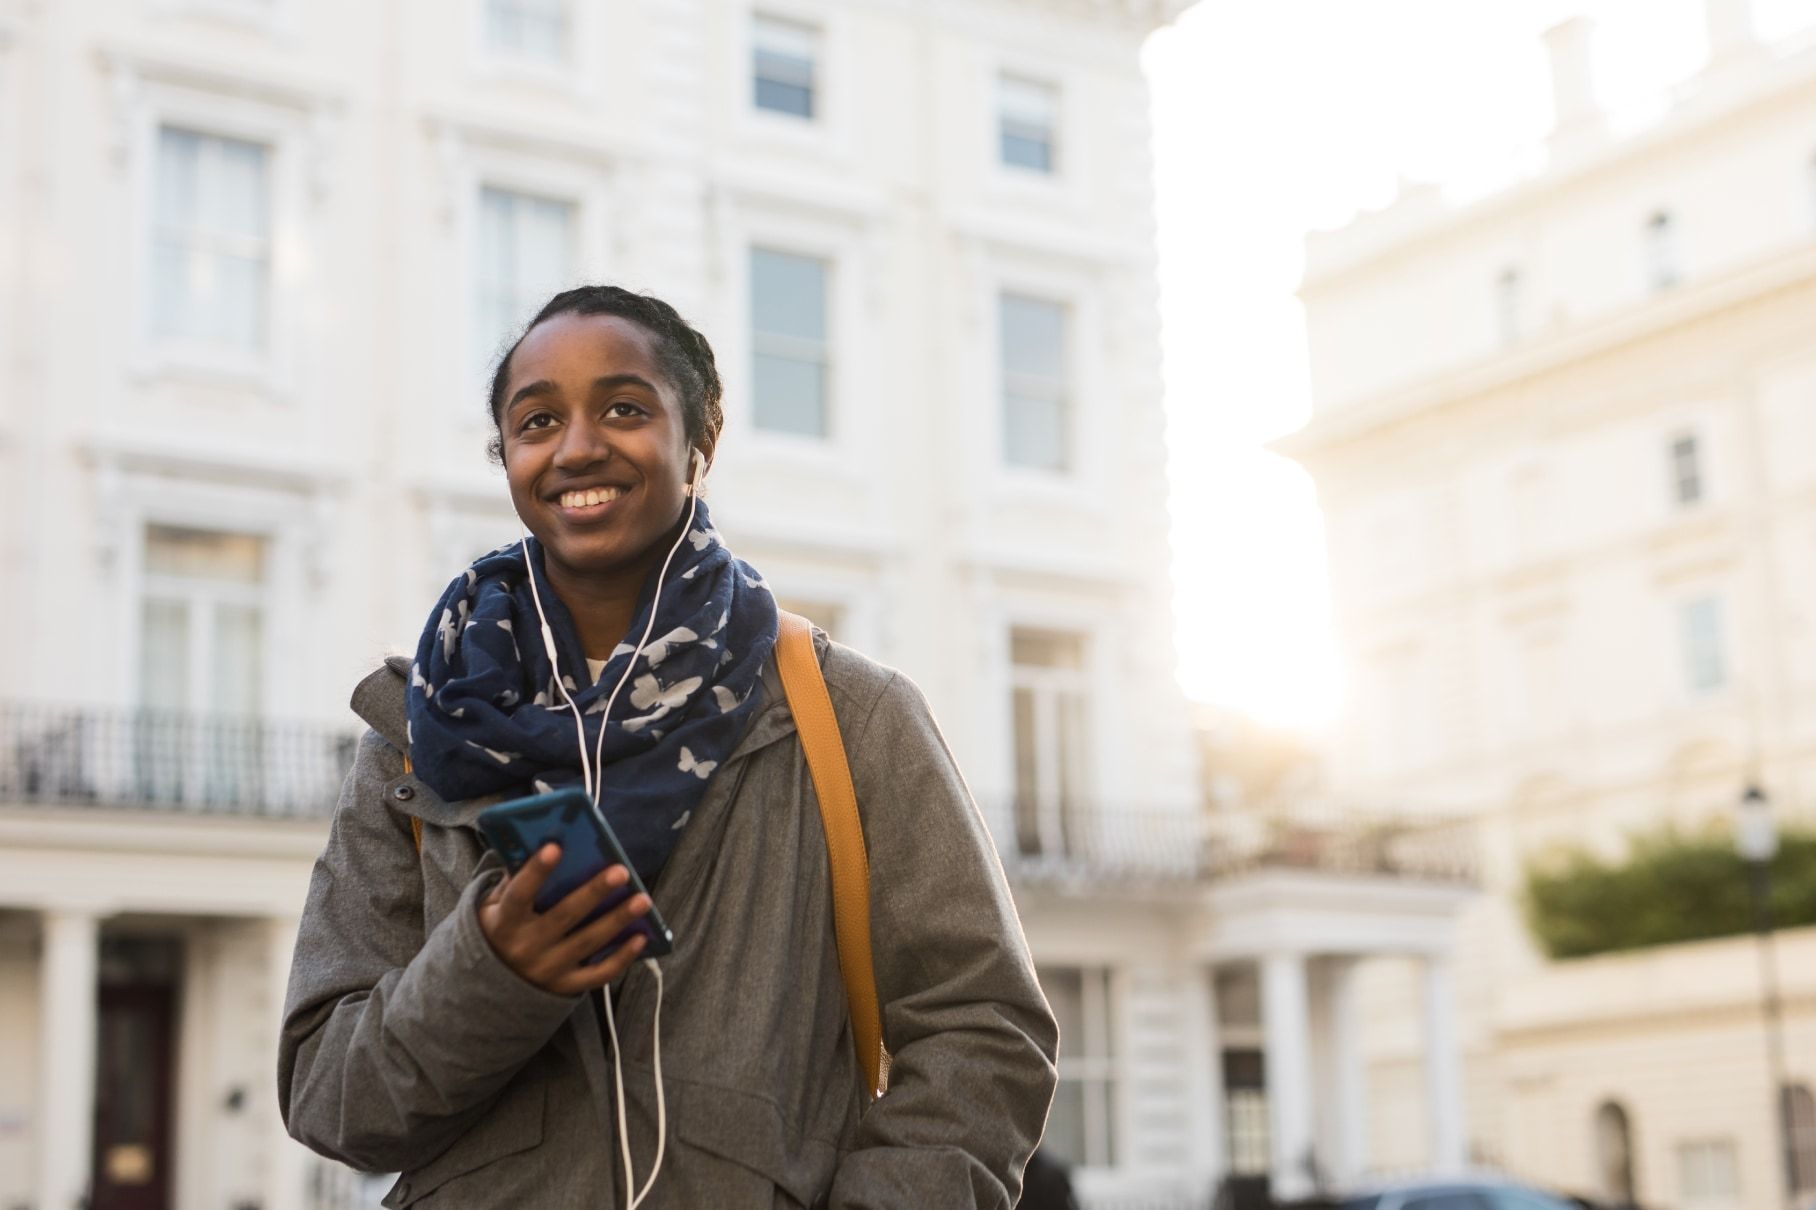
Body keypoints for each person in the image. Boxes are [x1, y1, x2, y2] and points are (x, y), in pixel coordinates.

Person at [277, 285, 1059, 1208]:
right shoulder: (419, 735)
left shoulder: (850, 714)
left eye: (624, 408)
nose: (576, 446)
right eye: (536, 421)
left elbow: (982, 1029)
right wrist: (492, 971)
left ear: (702, 443)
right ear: (508, 459)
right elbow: (330, 1096)